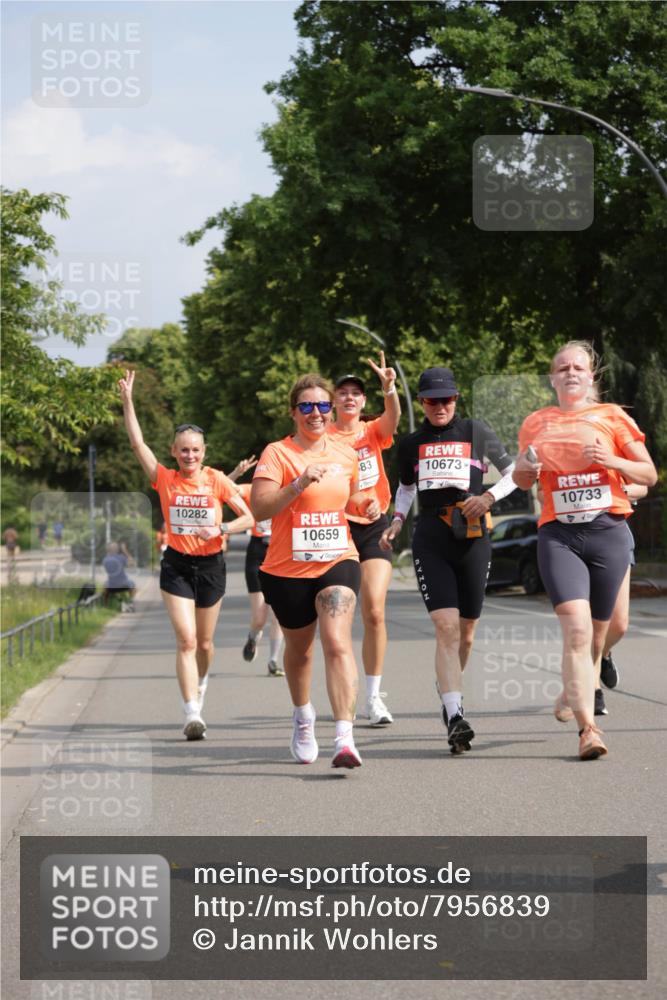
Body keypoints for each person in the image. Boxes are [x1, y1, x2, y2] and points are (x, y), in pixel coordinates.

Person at [513, 340, 657, 760]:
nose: (570, 373)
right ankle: (588, 729)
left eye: (578, 367)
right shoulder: (536, 422)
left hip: (607, 530)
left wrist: (612, 460)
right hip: (558, 534)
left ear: (590, 375)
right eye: (562, 368)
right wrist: (528, 469)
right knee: (577, 631)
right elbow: (523, 480)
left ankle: (574, 687)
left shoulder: (612, 417)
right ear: (553, 378)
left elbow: (647, 472)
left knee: (610, 629)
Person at [380, 367, 516, 754]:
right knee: (446, 627)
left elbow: (514, 475)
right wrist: (397, 521)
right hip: (432, 538)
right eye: (432, 400)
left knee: (467, 630)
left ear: (457, 399)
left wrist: (488, 498)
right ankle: (454, 713)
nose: (440, 407)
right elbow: (406, 489)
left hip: (473, 537)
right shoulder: (410, 444)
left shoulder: (476, 430)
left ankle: (448, 693)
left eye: (447, 399)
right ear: (422, 402)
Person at [251, 373, 382, 769]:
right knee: (300, 652)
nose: (316, 413)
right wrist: (296, 484)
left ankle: (345, 737)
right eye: (306, 406)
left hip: (337, 558)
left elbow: (354, 493)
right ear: (294, 413)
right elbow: (259, 509)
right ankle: (303, 717)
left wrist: (365, 505)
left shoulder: (346, 453)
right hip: (286, 569)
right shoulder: (277, 453)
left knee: (337, 642)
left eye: (322, 405)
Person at [118, 369, 253, 740]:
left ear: (203, 452)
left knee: (206, 644)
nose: (189, 454)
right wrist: (128, 402)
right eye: (183, 449)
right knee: (187, 641)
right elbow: (137, 445)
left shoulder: (216, 480)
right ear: (174, 452)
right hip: (176, 565)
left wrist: (221, 528)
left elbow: (250, 516)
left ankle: (201, 682)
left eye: (195, 449)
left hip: (211, 566)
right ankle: (191, 712)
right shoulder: (165, 478)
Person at [328, 354, 401, 725]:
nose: (350, 398)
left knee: (374, 609)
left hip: (373, 527)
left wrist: (389, 387)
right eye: (343, 393)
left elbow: (394, 419)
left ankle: (373, 698)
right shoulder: (322, 437)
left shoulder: (372, 431)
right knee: (340, 616)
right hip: (336, 529)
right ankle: (343, 688)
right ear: (333, 401)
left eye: (356, 393)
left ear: (363, 401)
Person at [230, 476, 286, 677]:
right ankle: (253, 636)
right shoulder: (252, 489)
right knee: (260, 617)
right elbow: (223, 488)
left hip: (280, 552)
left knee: (279, 614)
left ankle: (273, 661)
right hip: (257, 551)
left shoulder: (289, 487)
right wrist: (235, 473)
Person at [598, 484, 648, 700]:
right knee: (582, 624)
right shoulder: (561, 450)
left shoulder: (616, 451)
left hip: (614, 534)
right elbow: (543, 494)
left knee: (618, 625)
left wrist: (613, 491)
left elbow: (643, 485)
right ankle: (591, 692)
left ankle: (603, 654)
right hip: (572, 540)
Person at [102, 541, 136, 608]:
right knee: (133, 585)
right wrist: (125, 550)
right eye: (116, 547)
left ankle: (105, 605)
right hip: (123, 584)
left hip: (111, 586)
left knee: (104, 585)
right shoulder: (121, 557)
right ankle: (131, 602)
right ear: (117, 549)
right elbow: (132, 564)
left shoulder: (105, 559)